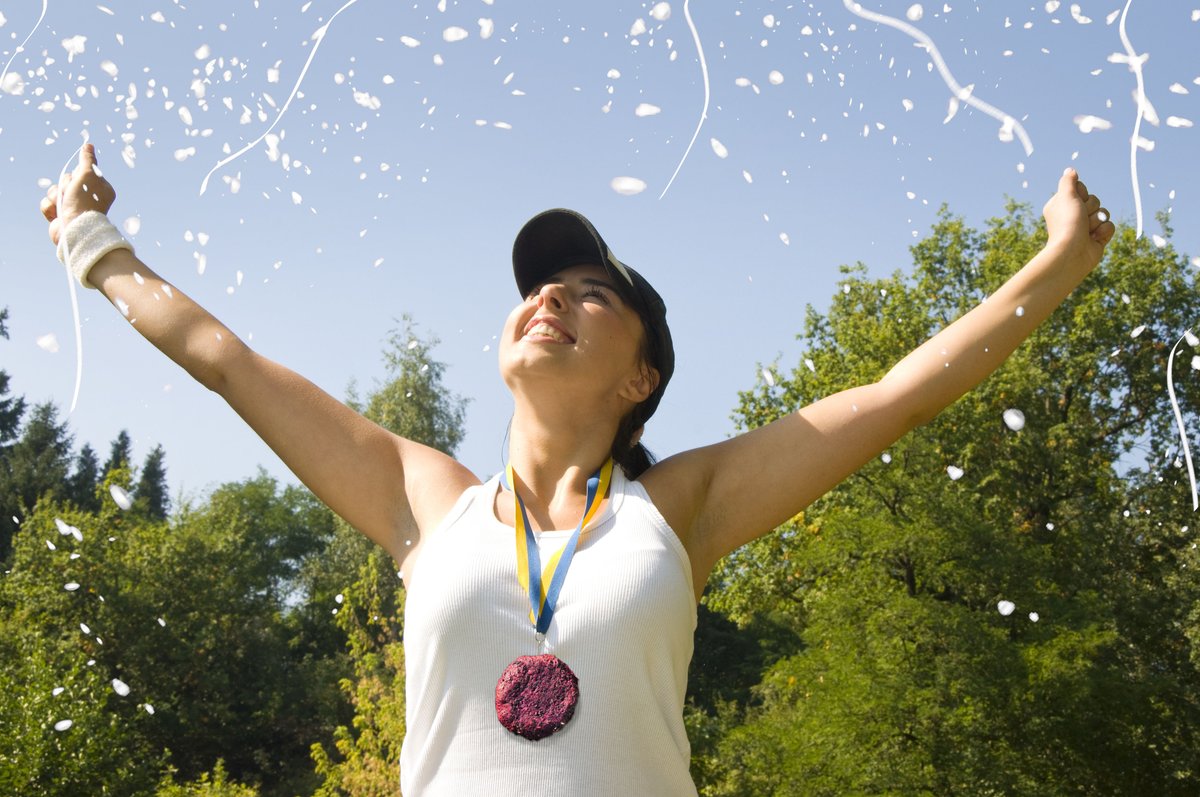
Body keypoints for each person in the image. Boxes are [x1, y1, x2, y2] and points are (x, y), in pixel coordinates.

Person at [39, 144, 1115, 795]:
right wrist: (97, 245)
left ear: (640, 377)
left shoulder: (681, 508)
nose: (550, 296)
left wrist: (1057, 262)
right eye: (539, 286)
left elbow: (895, 396)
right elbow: (228, 362)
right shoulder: (425, 496)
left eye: (589, 290)